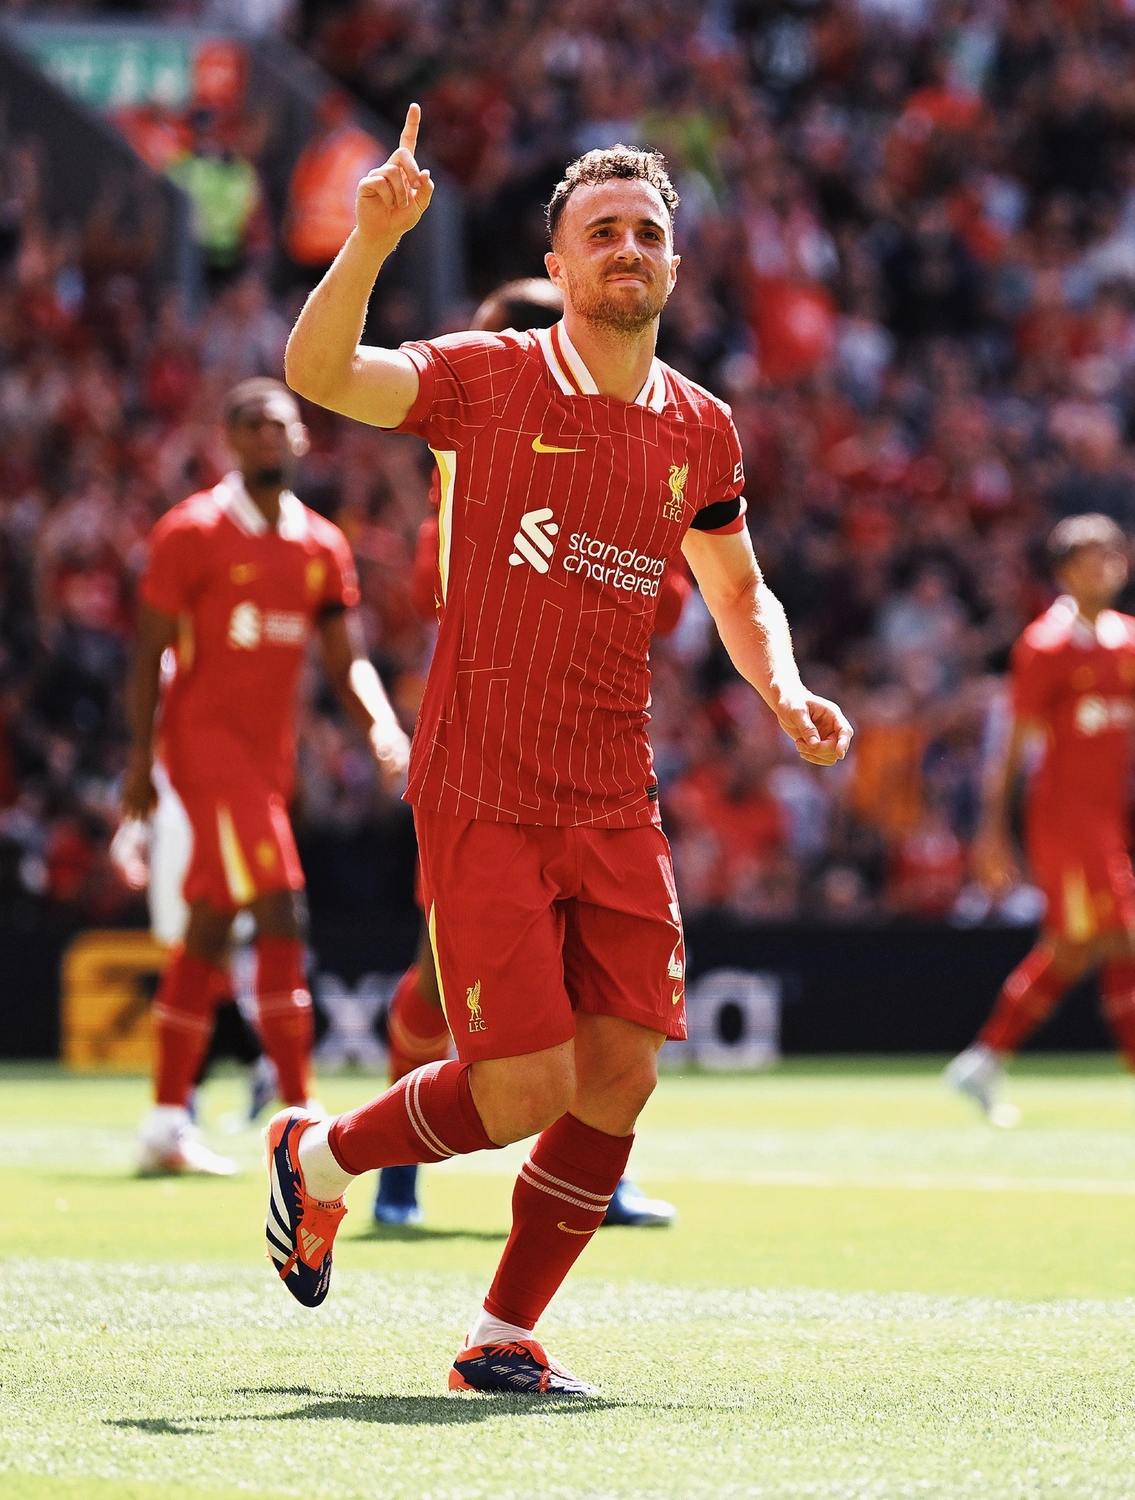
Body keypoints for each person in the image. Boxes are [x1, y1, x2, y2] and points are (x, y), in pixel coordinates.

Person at [266, 107, 851, 1395]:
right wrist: (371, 239)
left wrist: (784, 686)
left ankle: (502, 1335)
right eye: (603, 233)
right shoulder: (488, 376)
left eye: (647, 232)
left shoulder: (702, 427)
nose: (627, 249)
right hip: (483, 781)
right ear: (560, 261)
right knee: (524, 1088)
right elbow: (320, 373)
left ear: (675, 264)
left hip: (613, 793)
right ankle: (317, 1159)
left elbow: (737, 586)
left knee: (622, 1075)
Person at [374, 276, 684, 1231]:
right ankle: (390, 1176)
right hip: (487, 765)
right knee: (441, 985)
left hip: (593, 767)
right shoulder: (466, 481)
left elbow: (669, 601)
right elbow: (437, 586)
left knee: (605, 1005)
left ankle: (596, 1175)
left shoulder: (635, 458)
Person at [121, 377, 409, 1175]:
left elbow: (346, 662)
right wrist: (139, 763)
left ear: (302, 438)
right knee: (282, 901)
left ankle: (165, 1123)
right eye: (249, 424)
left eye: (277, 424)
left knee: (211, 926)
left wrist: (382, 727)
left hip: (267, 758)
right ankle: (299, 1112)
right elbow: (148, 655)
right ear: (229, 440)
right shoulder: (191, 532)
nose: (265, 436)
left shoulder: (321, 545)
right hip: (204, 749)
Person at [948, 514, 1135, 1124]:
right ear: (1064, 572)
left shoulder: (1127, 639)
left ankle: (983, 1059)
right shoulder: (1045, 646)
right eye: (1091, 556)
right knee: (1121, 937)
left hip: (1109, 820)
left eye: (1113, 553)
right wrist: (992, 830)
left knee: (1075, 949)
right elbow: (1012, 748)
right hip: (1065, 821)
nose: (1106, 565)